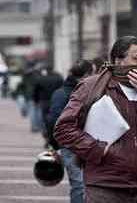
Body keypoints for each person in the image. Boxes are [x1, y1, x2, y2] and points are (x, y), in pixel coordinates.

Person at [54, 36, 137, 203]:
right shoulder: (92, 86)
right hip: (104, 187)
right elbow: (63, 129)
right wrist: (98, 149)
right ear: (118, 60)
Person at [46, 59, 94, 203]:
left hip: (86, 144)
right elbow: (54, 121)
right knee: (80, 184)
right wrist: (54, 145)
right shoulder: (67, 93)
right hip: (73, 145)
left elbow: (52, 121)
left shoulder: (62, 92)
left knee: (82, 184)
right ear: (86, 75)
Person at [33, 65, 63, 147]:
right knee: (55, 121)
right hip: (55, 102)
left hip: (44, 102)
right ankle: (53, 138)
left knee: (45, 121)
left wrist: (36, 101)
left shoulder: (41, 79)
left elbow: (36, 91)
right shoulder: (59, 79)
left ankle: (46, 138)